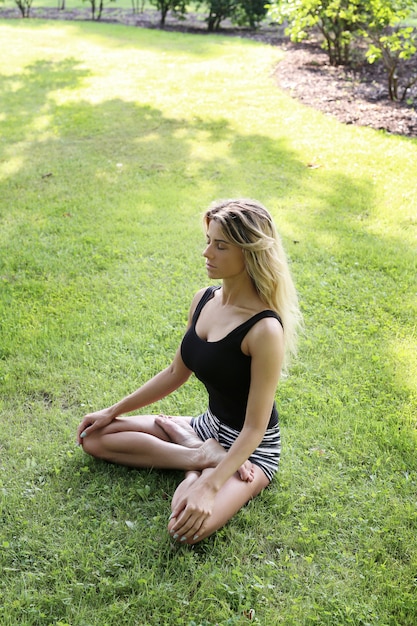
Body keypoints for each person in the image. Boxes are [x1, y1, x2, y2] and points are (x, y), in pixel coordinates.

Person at [77, 198, 301, 544]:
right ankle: (198, 454)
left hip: (251, 451)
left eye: (220, 245)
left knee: (184, 528)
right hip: (206, 427)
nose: (207, 252)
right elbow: (174, 373)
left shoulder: (265, 329)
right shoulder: (203, 299)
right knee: (93, 437)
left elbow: (255, 428)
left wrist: (206, 487)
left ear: (249, 253)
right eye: (208, 240)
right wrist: (113, 411)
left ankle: (199, 463)